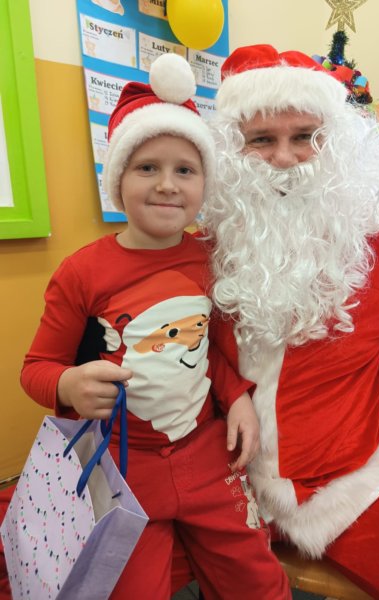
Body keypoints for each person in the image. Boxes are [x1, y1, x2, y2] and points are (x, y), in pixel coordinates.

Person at [19, 53, 290, 600]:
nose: (167, 185)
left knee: (259, 583)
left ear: (203, 184)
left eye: (185, 170)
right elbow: (36, 368)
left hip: (207, 457)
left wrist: (237, 397)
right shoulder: (82, 272)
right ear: (118, 179)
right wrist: (68, 384)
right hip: (122, 468)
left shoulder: (211, 258)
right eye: (147, 168)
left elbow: (213, 350)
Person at [199, 44, 379, 599]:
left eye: (306, 136)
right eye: (261, 140)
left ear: (337, 145)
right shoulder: (200, 253)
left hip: (346, 490)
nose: (284, 158)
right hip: (216, 489)